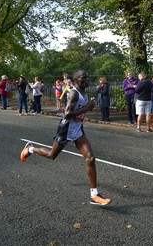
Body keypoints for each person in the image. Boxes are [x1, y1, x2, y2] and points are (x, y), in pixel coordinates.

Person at [20, 69, 112, 206]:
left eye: (88, 77)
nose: (87, 80)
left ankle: (94, 195)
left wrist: (86, 107)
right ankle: (30, 149)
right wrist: (87, 108)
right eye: (84, 78)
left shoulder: (83, 91)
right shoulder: (74, 93)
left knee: (91, 158)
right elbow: (67, 114)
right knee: (52, 155)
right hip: (66, 128)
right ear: (76, 81)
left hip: (77, 129)